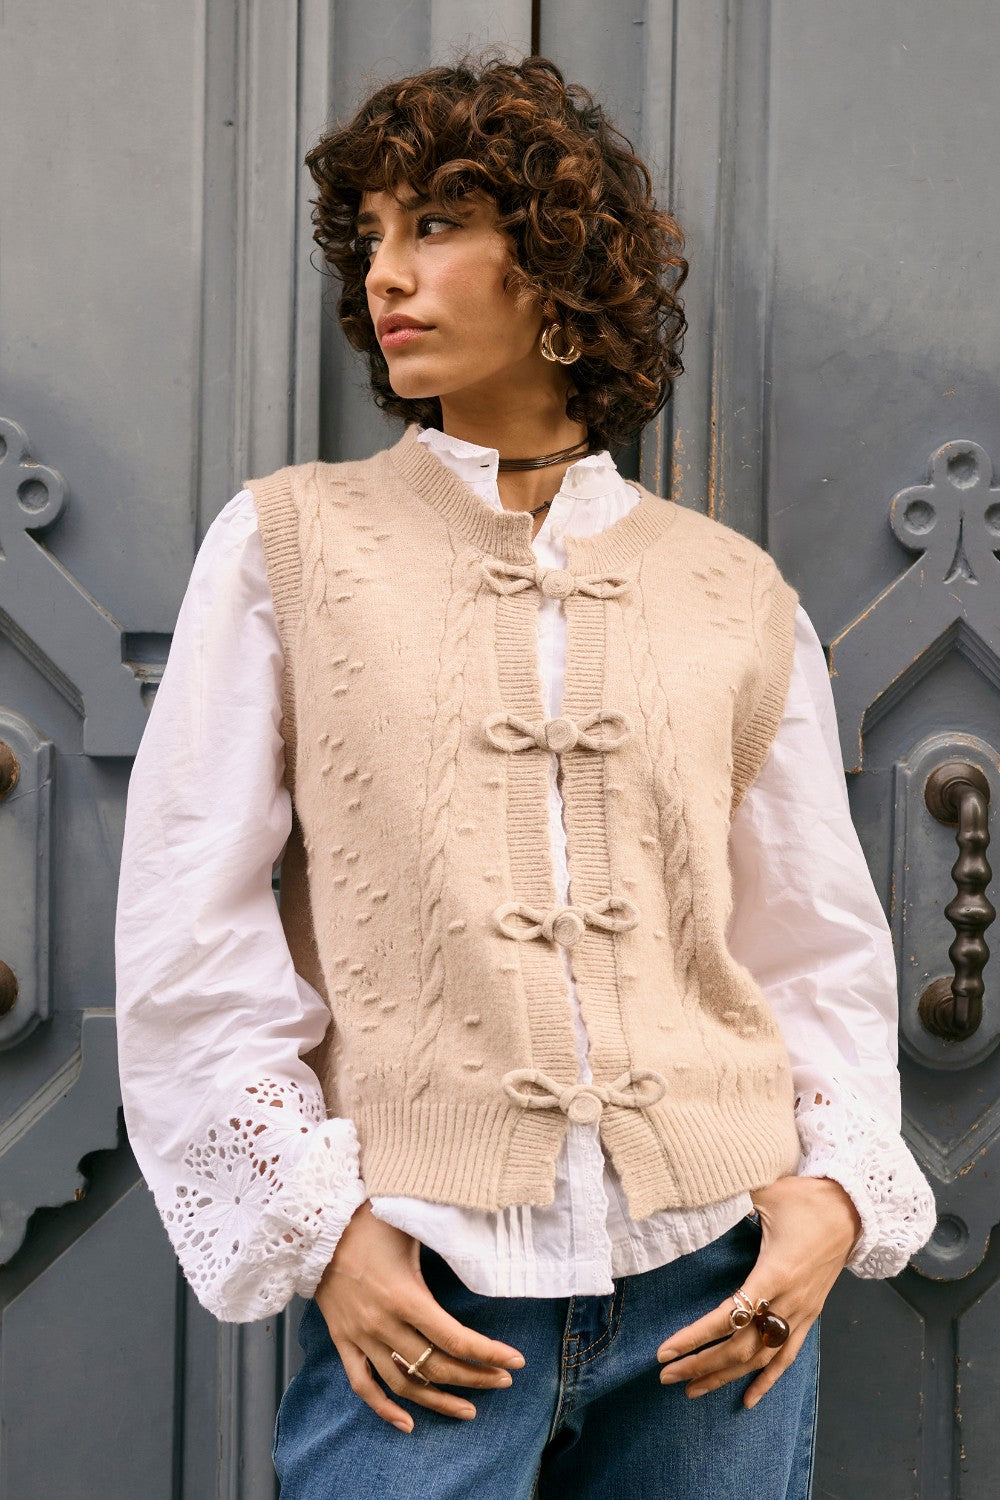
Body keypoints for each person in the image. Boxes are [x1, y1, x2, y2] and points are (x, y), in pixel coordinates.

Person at [114, 51, 937, 1500]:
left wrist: (823, 1201)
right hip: (427, 1294)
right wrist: (328, 1236)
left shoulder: (733, 593)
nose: (386, 274)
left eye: (433, 225)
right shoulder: (288, 548)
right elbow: (192, 925)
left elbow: (810, 940)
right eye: (368, 238)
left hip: (715, 1294)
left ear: (557, 267)